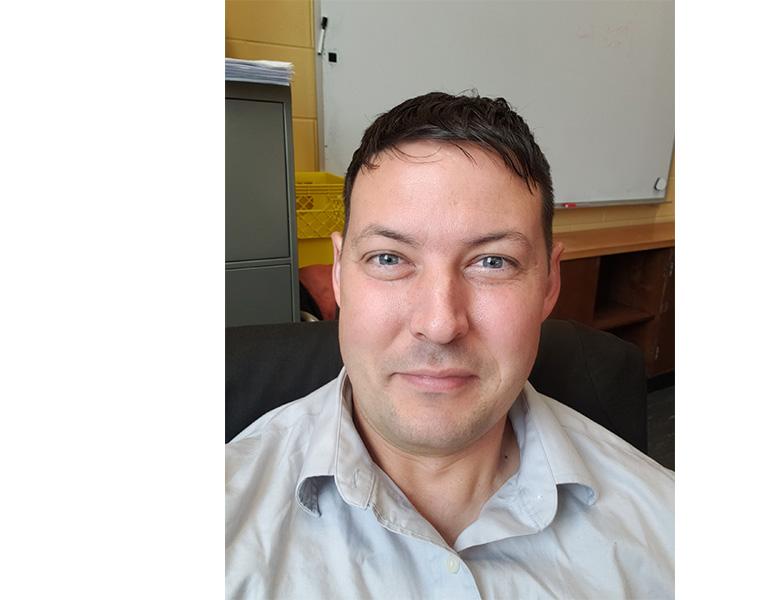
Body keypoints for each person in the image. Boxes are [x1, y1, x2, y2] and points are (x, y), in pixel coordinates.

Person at [226, 92, 674, 599]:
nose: (439, 323)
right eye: (390, 259)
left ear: (550, 285)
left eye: (492, 262)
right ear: (338, 274)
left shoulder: (666, 537)